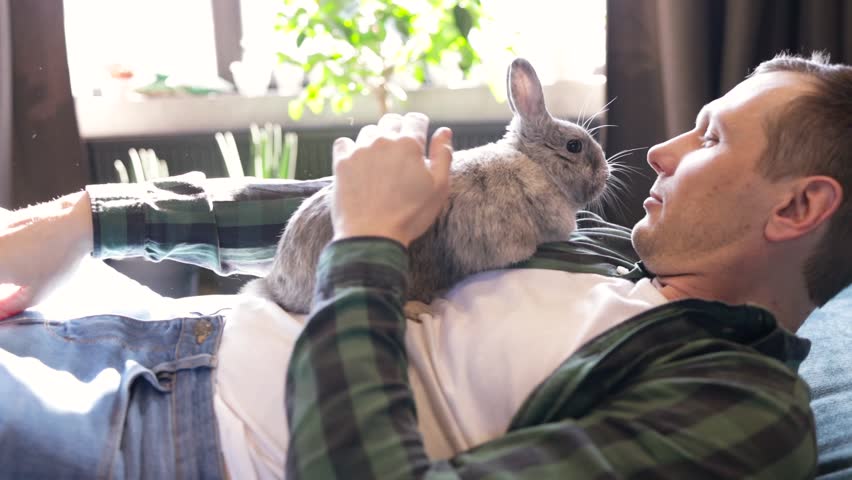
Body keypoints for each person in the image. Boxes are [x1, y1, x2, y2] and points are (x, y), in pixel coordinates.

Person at [0, 52, 848, 478]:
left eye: (710, 139)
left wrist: (365, 245)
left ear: (797, 208)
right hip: (163, 340)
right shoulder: (601, 252)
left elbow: (367, 230)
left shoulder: (742, 406)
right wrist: (92, 219)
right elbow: (338, 205)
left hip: (175, 441)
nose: (661, 152)